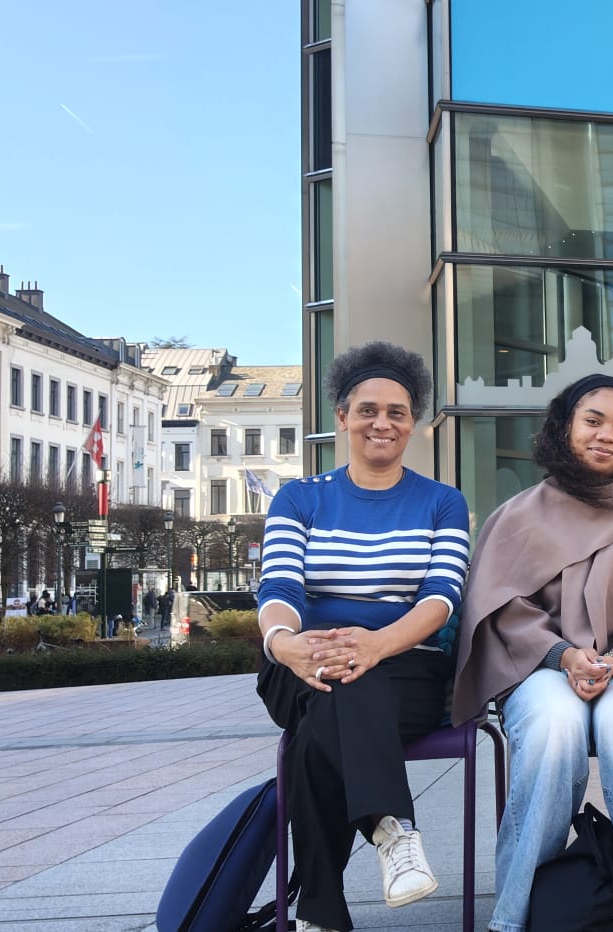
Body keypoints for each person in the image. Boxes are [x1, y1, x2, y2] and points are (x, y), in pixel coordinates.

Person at [454, 374, 613, 932]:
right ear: (565, 427)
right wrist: (564, 655)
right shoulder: (519, 515)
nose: (606, 435)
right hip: (542, 666)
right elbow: (501, 607)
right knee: (552, 724)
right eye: (593, 420)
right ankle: (515, 914)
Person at [253, 341, 471, 932]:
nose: (382, 422)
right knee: (341, 678)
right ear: (343, 417)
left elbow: (440, 599)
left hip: (407, 665)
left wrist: (375, 645)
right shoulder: (300, 498)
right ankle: (392, 829)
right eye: (368, 410)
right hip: (303, 661)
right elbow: (280, 587)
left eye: (397, 412)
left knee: (318, 734)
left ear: (413, 423)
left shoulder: (442, 503)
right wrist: (283, 644)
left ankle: (319, 913)